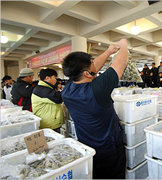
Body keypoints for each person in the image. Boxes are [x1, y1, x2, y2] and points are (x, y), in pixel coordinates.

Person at [61, 39, 128, 179]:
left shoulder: (67, 90)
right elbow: (121, 62)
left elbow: (92, 69)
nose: (95, 66)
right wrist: (123, 44)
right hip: (109, 149)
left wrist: (109, 51)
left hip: (87, 147)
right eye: (92, 64)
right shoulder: (97, 89)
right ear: (86, 73)